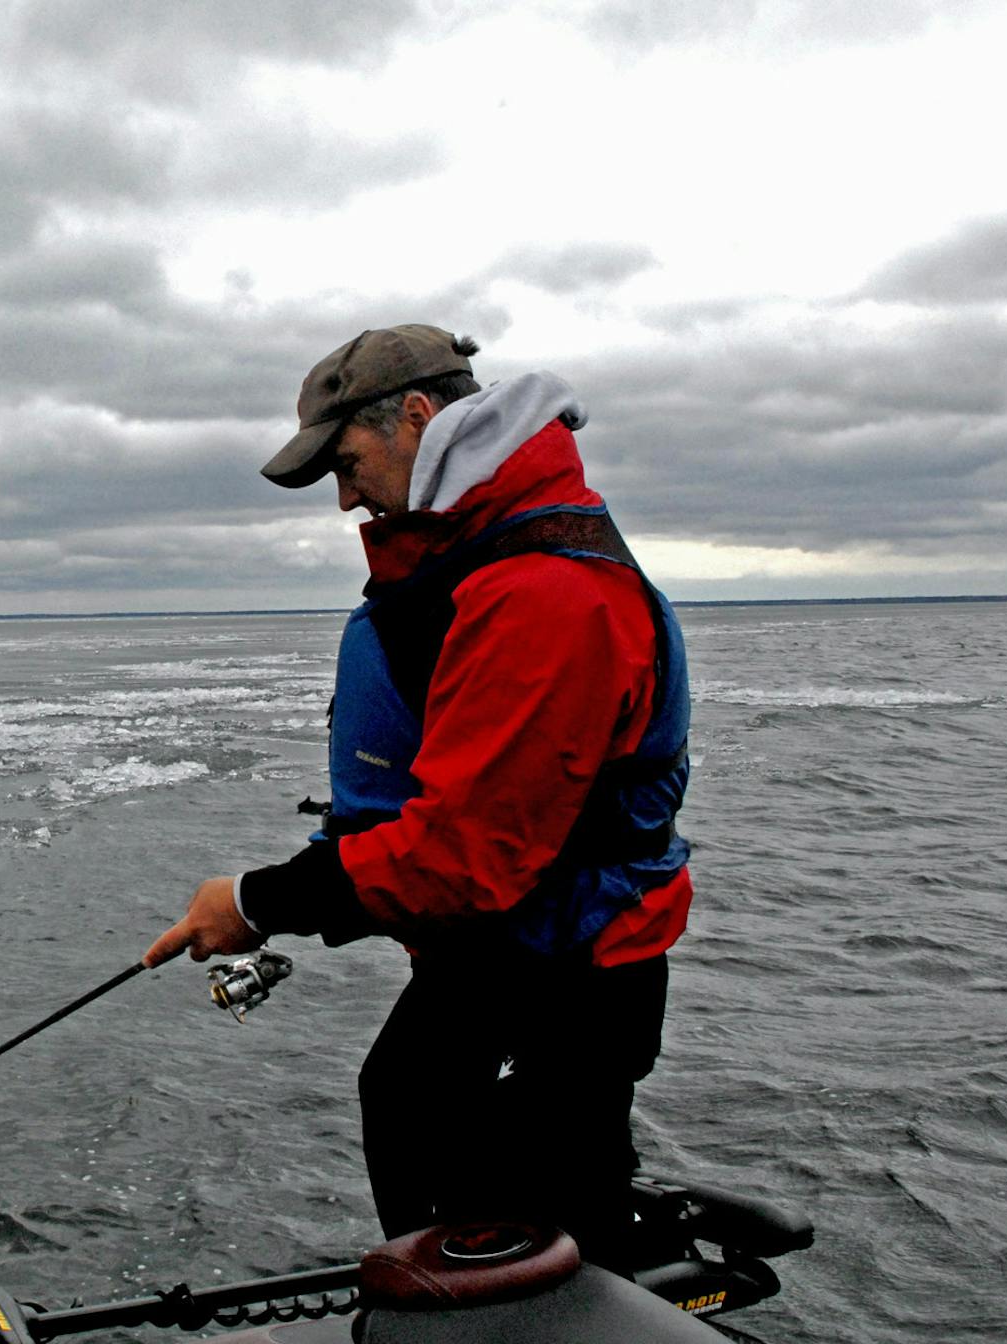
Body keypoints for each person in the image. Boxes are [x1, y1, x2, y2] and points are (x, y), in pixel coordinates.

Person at [142, 324, 693, 1270]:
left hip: (573, 967)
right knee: (405, 1104)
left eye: (348, 464)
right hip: (499, 951)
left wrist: (255, 903)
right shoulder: (481, 567)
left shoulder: (545, 598)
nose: (346, 497)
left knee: (517, 1227)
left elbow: (465, 855)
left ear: (419, 418)